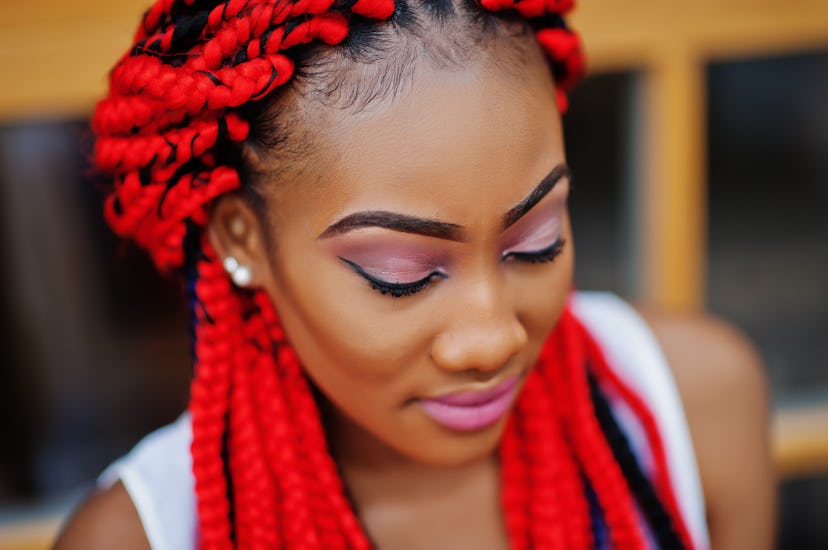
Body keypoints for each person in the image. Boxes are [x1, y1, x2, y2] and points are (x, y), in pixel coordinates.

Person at [55, 0, 775, 548]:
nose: (492, 339)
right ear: (241, 238)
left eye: (536, 240)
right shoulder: (139, 536)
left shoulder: (696, 407)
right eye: (401, 276)